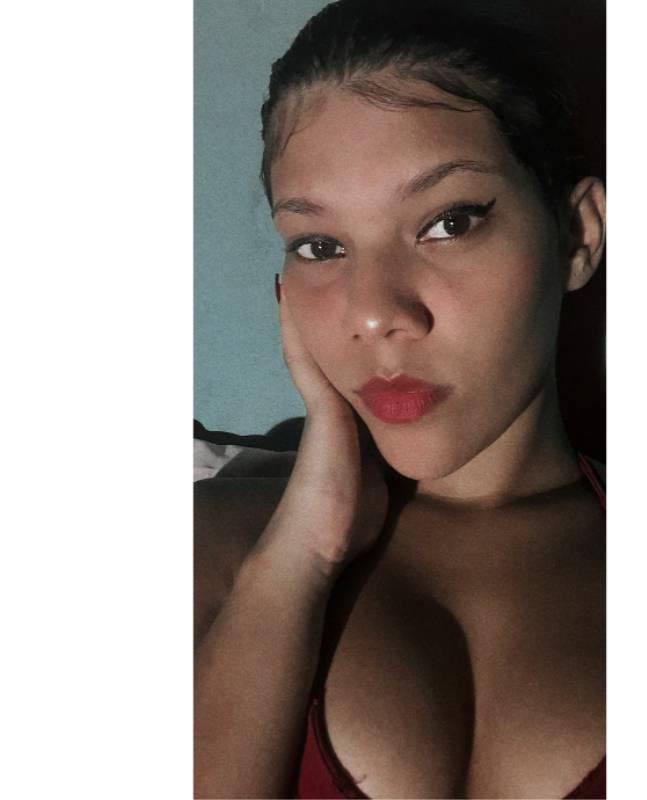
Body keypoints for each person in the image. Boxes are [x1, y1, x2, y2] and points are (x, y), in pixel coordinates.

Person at [194, 0, 606, 797]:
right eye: (321, 246)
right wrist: (302, 552)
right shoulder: (208, 552)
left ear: (577, 235)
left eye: (449, 222)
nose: (376, 312)